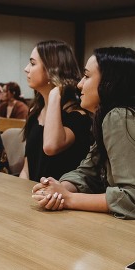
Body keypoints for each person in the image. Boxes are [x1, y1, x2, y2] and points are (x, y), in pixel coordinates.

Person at [31, 47, 135, 219]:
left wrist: (70, 198)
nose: (79, 84)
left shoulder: (120, 117)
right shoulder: (109, 116)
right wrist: (58, 190)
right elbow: (88, 171)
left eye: (86, 76)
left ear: (109, 82)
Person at [20, 39, 92, 182]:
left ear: (51, 70)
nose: (26, 68)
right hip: (33, 194)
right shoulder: (36, 110)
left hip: (59, 199)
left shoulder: (78, 115)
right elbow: (26, 169)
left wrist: (54, 93)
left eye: (33, 63)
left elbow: (51, 146)